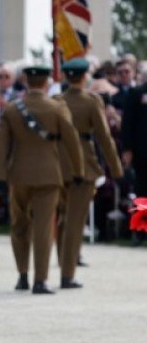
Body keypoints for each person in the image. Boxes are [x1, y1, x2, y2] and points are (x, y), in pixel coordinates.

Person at [0, 66, 83, 294]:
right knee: (43, 228)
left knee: (19, 225)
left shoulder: (12, 110)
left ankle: (22, 276)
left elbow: (1, 147)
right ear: (46, 83)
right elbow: (72, 141)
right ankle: (40, 281)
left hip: (19, 176)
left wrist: (0, 177)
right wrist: (78, 171)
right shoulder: (56, 108)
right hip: (48, 176)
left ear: (26, 82)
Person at [53, 58, 124, 287]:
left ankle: (62, 262)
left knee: (64, 218)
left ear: (66, 76)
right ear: (84, 77)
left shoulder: (57, 100)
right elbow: (104, 138)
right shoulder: (91, 101)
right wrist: (116, 169)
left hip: (58, 162)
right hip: (83, 163)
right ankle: (67, 273)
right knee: (75, 220)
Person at [121, 68, 147, 246]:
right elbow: (128, 123)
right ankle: (141, 232)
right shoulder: (138, 93)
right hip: (143, 153)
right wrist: (128, 149)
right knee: (142, 194)